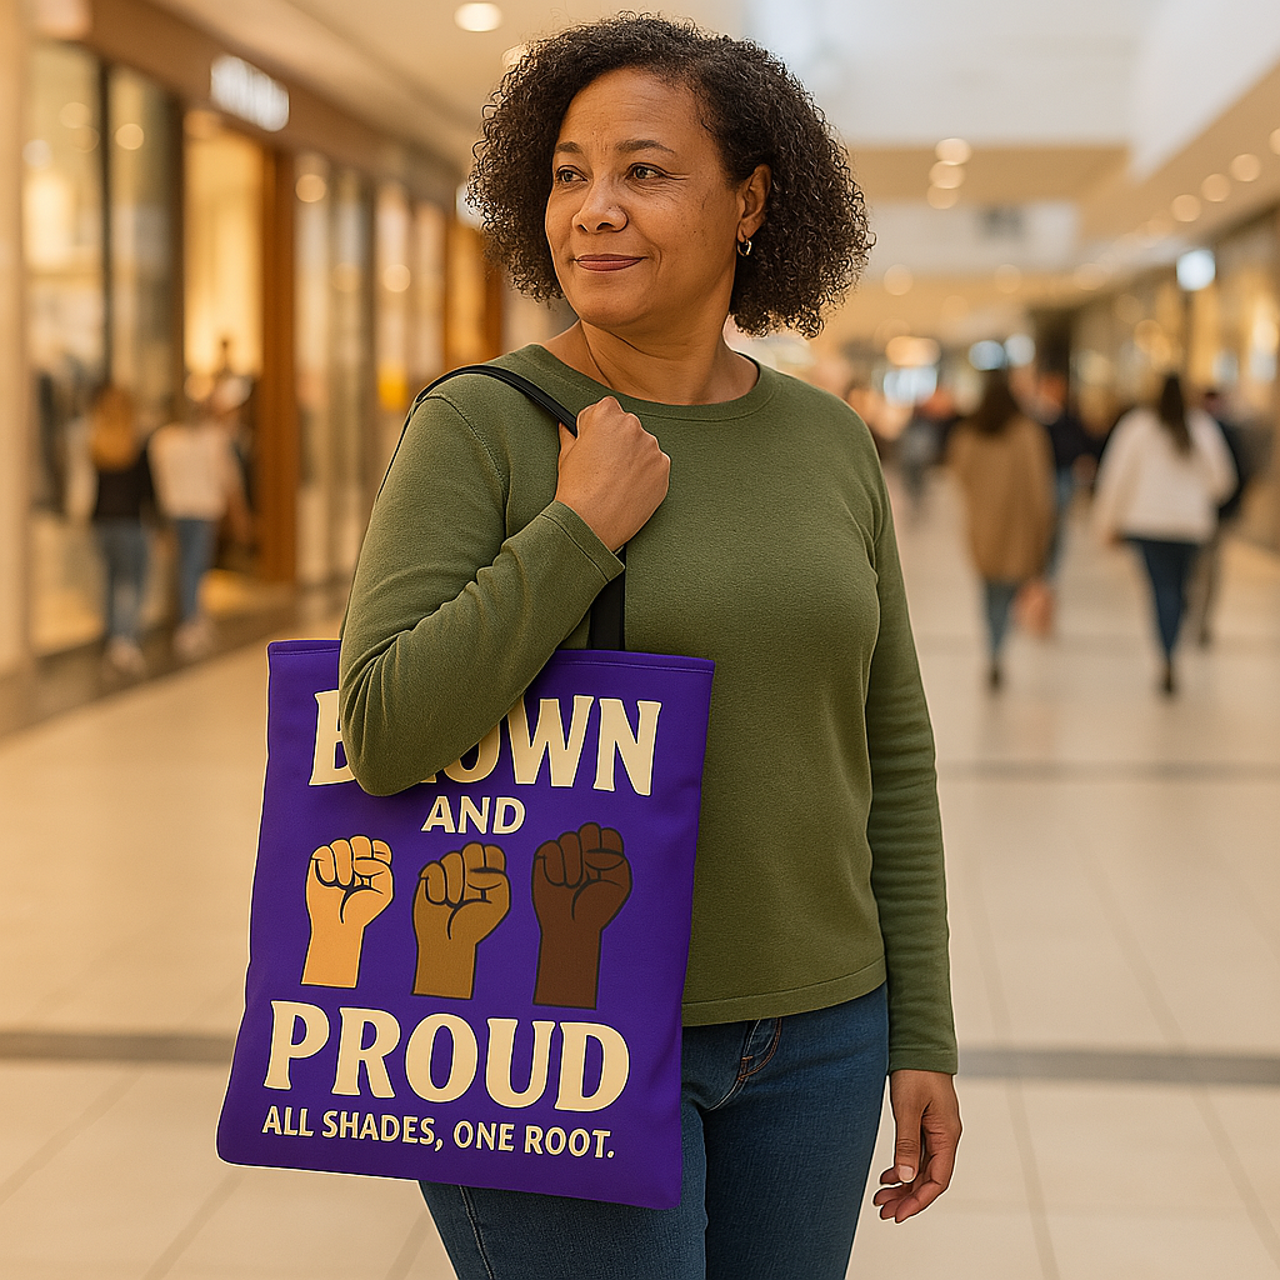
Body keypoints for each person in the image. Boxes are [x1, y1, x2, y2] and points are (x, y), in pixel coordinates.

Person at [339, 15, 960, 1279]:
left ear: (750, 202)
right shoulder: (482, 425)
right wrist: (575, 532)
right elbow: (382, 727)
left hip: (821, 1031)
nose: (594, 209)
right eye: (569, 174)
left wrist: (921, 1028)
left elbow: (886, 744)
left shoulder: (828, 441)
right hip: (551, 1020)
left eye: (644, 170)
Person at [1093, 373, 1236, 695]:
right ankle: (1173, 642)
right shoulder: (1202, 428)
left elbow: (1116, 478)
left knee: (1162, 590)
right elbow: (1222, 481)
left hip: (1148, 526)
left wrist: (1106, 522)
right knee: (1180, 588)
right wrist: (1198, 499)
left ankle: (1167, 654)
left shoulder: (1137, 427)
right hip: (1189, 527)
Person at [947, 370, 1055, 690]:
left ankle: (993, 649)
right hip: (1018, 526)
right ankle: (1000, 646)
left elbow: (959, 474)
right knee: (1008, 591)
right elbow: (1040, 487)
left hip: (983, 526)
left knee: (990, 592)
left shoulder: (970, 433)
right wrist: (1044, 527)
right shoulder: (1027, 433)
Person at [147, 402, 248, 659]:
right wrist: (239, 514)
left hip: (177, 509)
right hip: (201, 510)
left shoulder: (164, 440)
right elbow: (228, 478)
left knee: (188, 566)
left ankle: (193, 617)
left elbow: (159, 479)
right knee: (194, 566)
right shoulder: (212, 439)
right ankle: (190, 622)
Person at [88, 384, 154, 676]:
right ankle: (125, 640)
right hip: (129, 520)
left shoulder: (97, 441)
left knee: (112, 580)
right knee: (132, 582)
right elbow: (146, 490)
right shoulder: (136, 442)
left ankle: (113, 636)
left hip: (103, 522)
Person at [1186, 387, 1255, 645]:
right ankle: (1194, 615)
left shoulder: (1226, 432)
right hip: (1195, 514)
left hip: (1214, 513)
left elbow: (1238, 473)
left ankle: (1201, 620)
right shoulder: (1193, 429)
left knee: (1207, 568)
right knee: (1199, 568)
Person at [1034, 368, 1090, 579]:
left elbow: (1078, 444)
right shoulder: (1036, 417)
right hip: (1042, 476)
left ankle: (1049, 570)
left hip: (1063, 476)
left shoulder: (1068, 417)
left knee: (1057, 525)